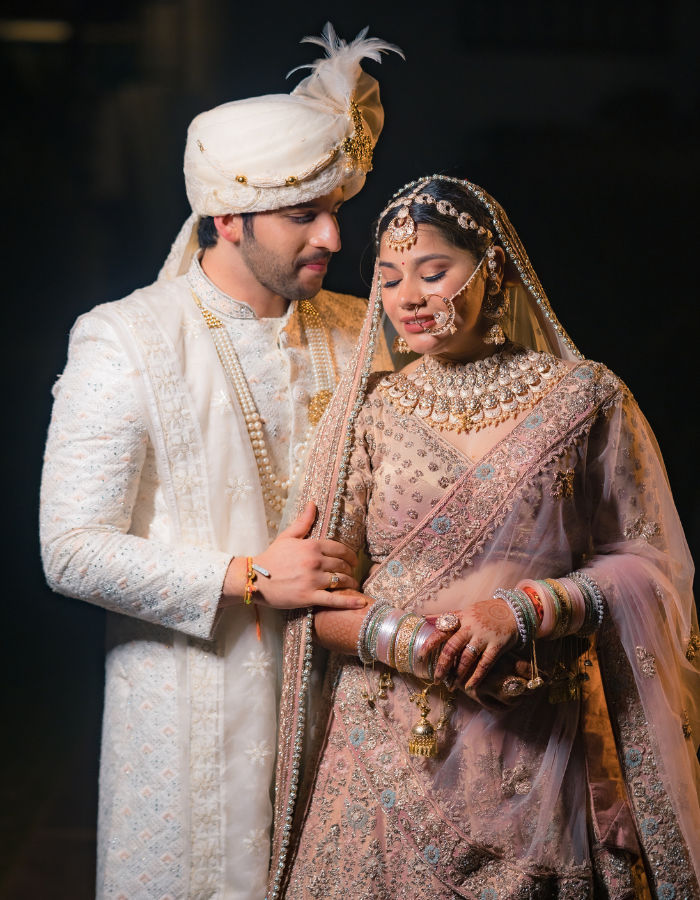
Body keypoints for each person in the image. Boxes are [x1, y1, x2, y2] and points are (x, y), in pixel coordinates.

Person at [39, 25, 401, 900]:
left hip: (349, 706)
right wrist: (254, 577)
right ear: (227, 217)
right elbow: (71, 551)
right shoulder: (125, 338)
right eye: (302, 215)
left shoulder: (365, 330)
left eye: (335, 209)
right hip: (187, 716)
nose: (332, 235)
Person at [267, 176, 700, 900]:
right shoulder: (366, 414)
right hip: (385, 745)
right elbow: (318, 598)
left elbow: (647, 562)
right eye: (389, 278)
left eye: (432, 272)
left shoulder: (583, 397)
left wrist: (523, 610)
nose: (408, 297)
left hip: (538, 743)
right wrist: (422, 646)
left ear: (492, 267)